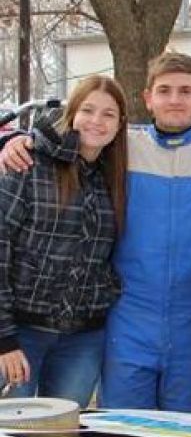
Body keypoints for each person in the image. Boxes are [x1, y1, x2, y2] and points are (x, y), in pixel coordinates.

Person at [0, 52, 191, 413]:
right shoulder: (123, 147)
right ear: (147, 98)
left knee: (184, 435)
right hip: (128, 320)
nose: (174, 99)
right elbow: (62, 142)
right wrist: (16, 142)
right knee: (123, 434)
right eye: (165, 90)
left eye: (185, 91)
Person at [0, 75, 128, 407]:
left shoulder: (112, 176)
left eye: (108, 114)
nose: (97, 121)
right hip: (22, 333)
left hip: (83, 338)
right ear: (72, 114)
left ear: (120, 124)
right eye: (88, 110)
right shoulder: (28, 164)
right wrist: (4, 339)